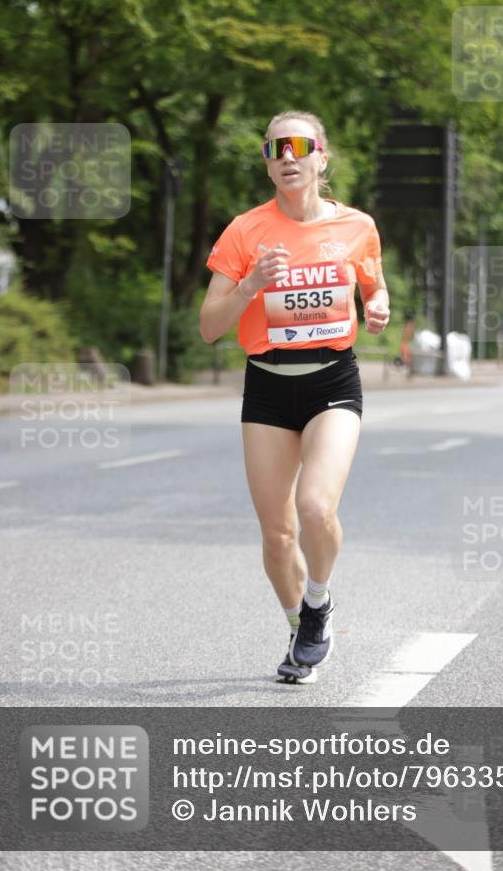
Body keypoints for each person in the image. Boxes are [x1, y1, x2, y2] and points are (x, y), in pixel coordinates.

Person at [199, 111, 389, 684]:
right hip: (267, 386)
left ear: (321, 157)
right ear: (267, 159)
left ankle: (318, 601)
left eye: (299, 146)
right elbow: (209, 325)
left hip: (332, 380)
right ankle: (301, 627)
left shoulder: (357, 226)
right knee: (278, 534)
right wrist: (252, 285)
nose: (287, 156)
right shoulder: (244, 231)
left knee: (315, 508)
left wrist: (379, 307)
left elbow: (374, 288)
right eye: (275, 147)